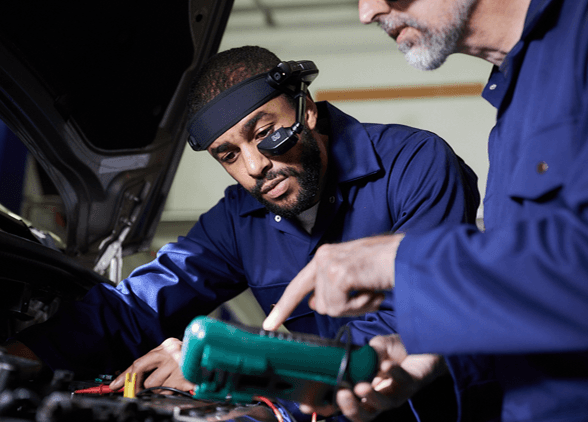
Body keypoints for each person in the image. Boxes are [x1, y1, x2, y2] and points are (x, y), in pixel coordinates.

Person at [263, 0, 588, 422]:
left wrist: (402, 261)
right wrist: (433, 351)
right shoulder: (512, 114)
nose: (366, 8)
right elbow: (546, 292)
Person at [6, 45, 479, 421]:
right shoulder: (237, 219)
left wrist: (237, 366)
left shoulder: (414, 165)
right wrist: (19, 357)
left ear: (307, 109)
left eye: (264, 132)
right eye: (228, 155)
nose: (255, 167)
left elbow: (407, 321)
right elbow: (136, 307)